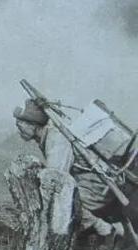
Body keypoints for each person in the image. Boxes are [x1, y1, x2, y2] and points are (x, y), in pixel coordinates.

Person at [13, 99, 124, 239]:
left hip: (98, 186)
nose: (19, 128)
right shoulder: (49, 136)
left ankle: (103, 229)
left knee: (59, 198)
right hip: (93, 183)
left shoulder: (56, 139)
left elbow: (56, 179)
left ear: (34, 124)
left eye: (21, 123)